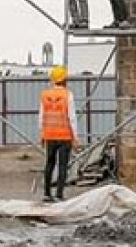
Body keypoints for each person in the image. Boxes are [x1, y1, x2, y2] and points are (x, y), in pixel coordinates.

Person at [39, 65, 78, 202]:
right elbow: (72, 117)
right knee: (62, 165)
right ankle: (59, 195)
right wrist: (75, 137)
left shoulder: (45, 95)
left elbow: (41, 116)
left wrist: (42, 134)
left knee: (49, 164)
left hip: (49, 135)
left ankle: (46, 193)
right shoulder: (68, 95)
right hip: (64, 135)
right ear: (64, 79)